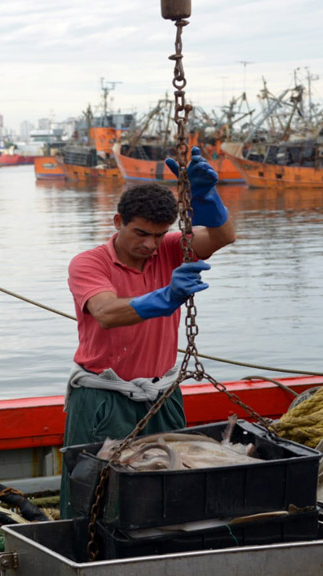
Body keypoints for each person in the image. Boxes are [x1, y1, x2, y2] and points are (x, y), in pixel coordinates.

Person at [60, 147, 236, 518]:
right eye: (140, 233)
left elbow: (222, 237)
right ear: (117, 221)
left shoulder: (170, 249)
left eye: (158, 235)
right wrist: (166, 296)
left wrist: (207, 199)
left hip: (161, 393)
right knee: (93, 488)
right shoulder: (88, 263)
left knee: (172, 486)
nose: (149, 244)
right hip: (104, 397)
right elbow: (106, 313)